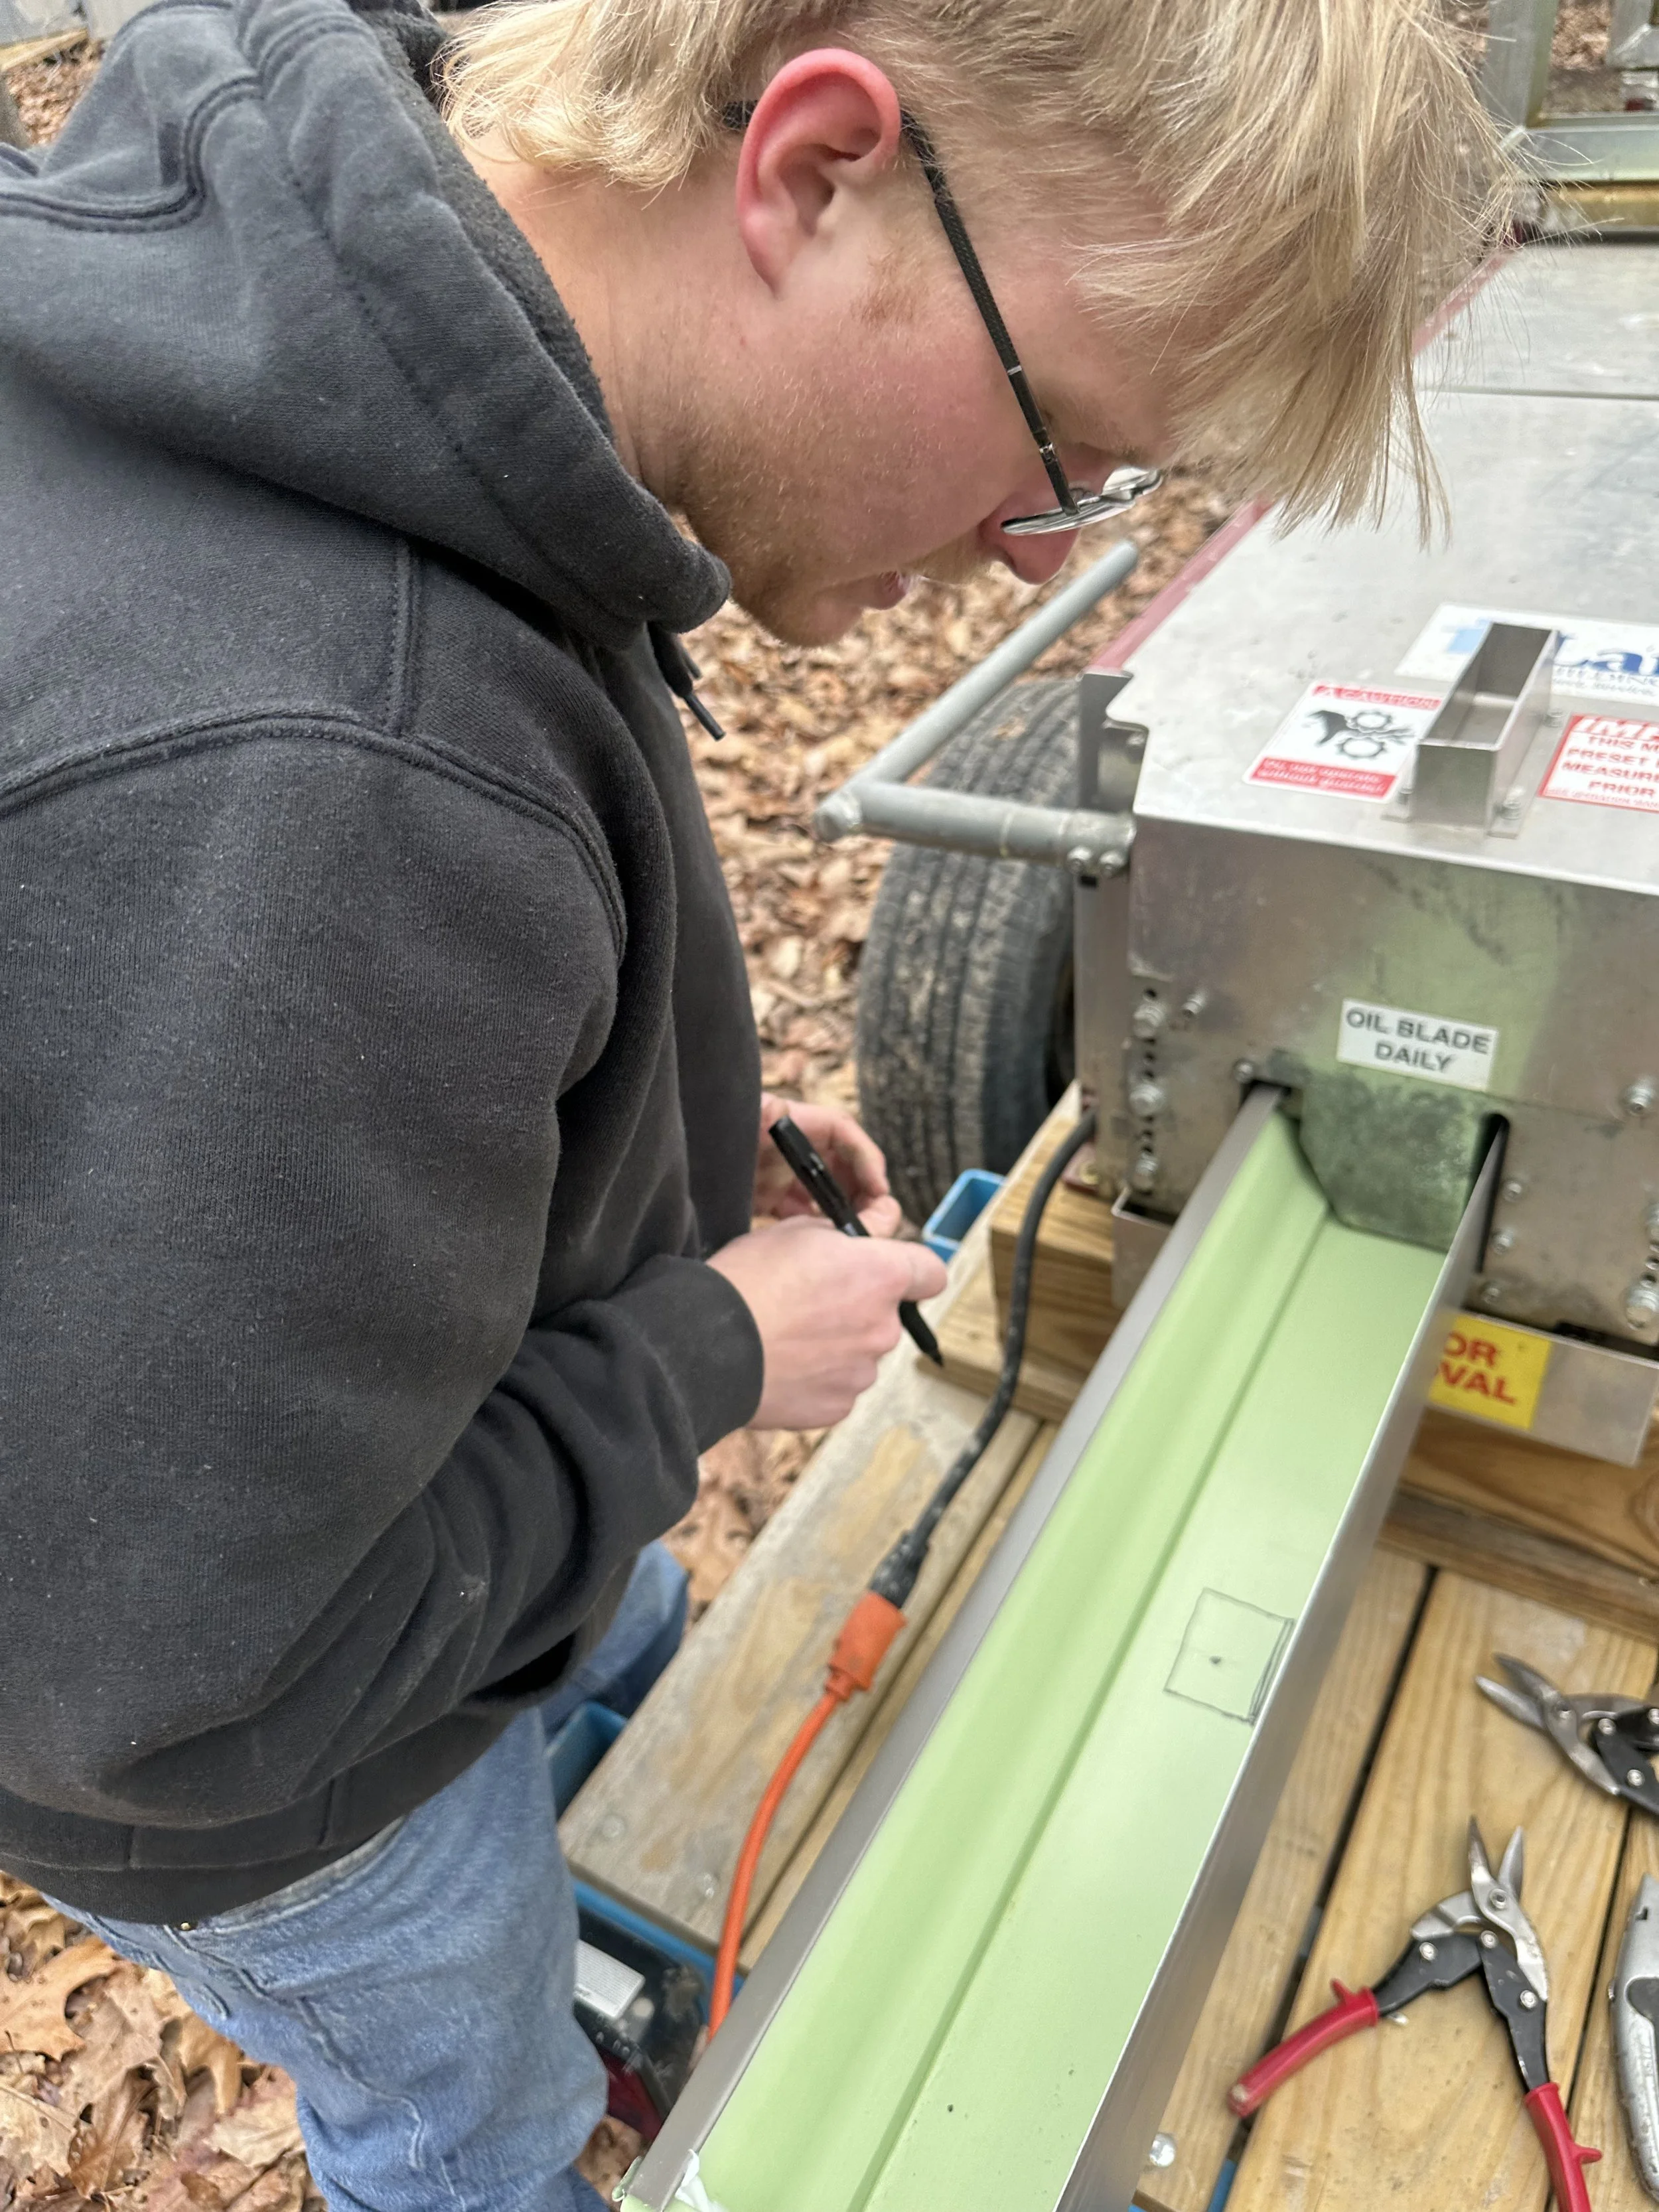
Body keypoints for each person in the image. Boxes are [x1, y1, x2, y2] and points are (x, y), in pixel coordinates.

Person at [0, 0, 1499, 2203]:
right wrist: (704, 1346)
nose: (1032, 546)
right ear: (813, 167)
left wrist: (656, 1154)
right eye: (1065, 452)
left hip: (412, 1503)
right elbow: (195, 1692)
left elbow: (275, 1086)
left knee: (615, 1670)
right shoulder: (342, 771)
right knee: (471, 2115)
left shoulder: (402, 389)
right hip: (291, 1795)